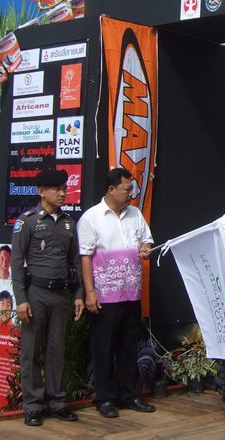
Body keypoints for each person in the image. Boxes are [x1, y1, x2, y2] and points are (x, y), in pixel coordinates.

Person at [78, 167, 155, 418]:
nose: (131, 193)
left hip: (131, 293)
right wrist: (90, 292)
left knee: (128, 346)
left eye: (131, 189)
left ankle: (130, 395)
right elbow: (85, 257)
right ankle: (105, 398)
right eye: (126, 189)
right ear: (111, 190)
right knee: (104, 348)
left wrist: (145, 249)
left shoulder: (135, 214)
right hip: (104, 295)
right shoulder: (92, 217)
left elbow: (146, 240)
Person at [11, 168, 84, 427]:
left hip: (61, 295)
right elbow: (17, 262)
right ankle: (32, 405)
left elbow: (75, 262)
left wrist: (78, 294)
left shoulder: (69, 222)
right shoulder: (27, 221)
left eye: (64, 188)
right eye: (57, 189)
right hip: (36, 294)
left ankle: (58, 402)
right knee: (31, 351)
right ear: (41, 192)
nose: (63, 193)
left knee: (56, 350)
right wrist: (21, 298)